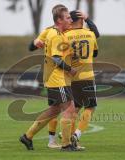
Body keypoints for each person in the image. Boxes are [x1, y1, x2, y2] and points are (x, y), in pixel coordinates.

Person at [31, 10, 99, 149]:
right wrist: (89, 20)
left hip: (67, 77)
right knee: (89, 107)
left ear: (71, 21)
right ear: (81, 20)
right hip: (86, 76)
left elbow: (46, 47)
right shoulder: (90, 34)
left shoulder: (64, 35)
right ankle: (75, 136)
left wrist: (37, 42)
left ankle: (52, 139)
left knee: (65, 109)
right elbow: (95, 51)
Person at [19, 4, 81, 152]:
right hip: (57, 78)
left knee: (53, 111)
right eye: (67, 18)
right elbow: (57, 59)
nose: (70, 20)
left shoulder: (51, 32)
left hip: (54, 78)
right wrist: (71, 69)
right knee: (70, 109)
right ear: (59, 20)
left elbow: (35, 46)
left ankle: (27, 136)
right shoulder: (56, 35)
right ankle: (66, 145)